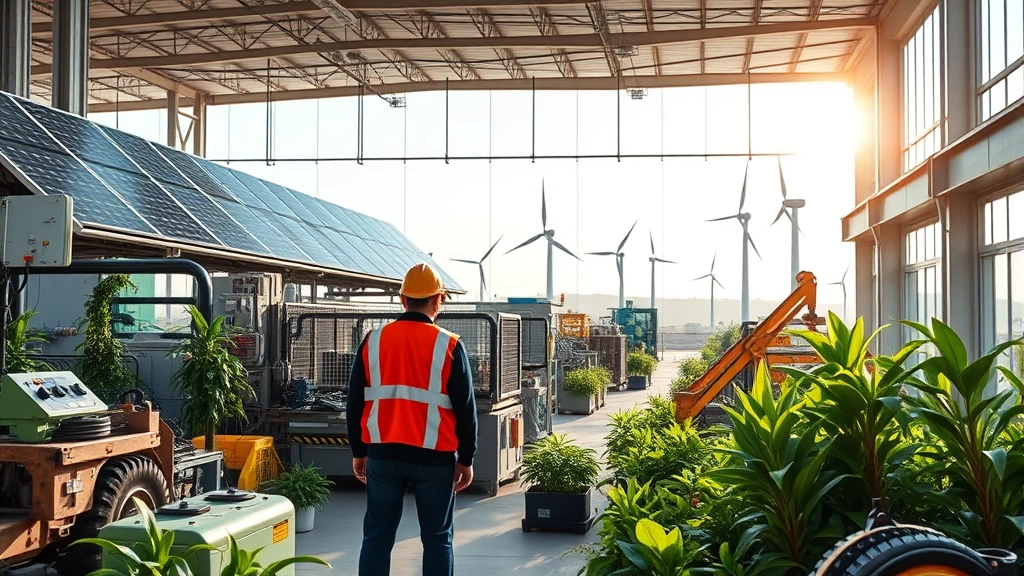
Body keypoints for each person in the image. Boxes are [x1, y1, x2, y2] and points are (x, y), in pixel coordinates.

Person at [346, 262, 478, 576]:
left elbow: (354, 402)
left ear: (402, 300)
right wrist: (467, 458)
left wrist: (358, 452)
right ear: (440, 299)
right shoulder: (449, 345)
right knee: (437, 539)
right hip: (434, 459)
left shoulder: (373, 340)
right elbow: (466, 409)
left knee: (377, 537)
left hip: (383, 455)